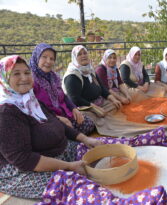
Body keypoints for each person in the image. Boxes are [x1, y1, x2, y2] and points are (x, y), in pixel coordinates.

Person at [0, 55, 103, 199]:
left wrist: (87, 140)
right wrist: (69, 166)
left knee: (102, 150)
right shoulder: (6, 113)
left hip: (57, 151)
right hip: (24, 171)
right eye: (16, 73)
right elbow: (24, 159)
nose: (24, 78)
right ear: (4, 79)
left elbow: (58, 123)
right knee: (81, 188)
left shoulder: (30, 100)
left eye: (27, 72)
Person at [29, 43, 95, 135]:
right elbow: (34, 109)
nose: (48, 61)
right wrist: (57, 118)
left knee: (89, 123)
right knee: (61, 135)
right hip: (48, 121)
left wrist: (73, 108)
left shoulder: (53, 77)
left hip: (65, 114)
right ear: (36, 57)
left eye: (52, 59)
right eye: (44, 57)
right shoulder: (30, 81)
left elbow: (63, 96)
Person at [63, 45, 121, 117]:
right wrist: (94, 108)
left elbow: (102, 88)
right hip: (84, 107)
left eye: (85, 53)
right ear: (75, 58)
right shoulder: (72, 75)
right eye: (79, 54)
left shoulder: (90, 70)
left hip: (98, 102)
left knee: (116, 105)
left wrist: (113, 99)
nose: (83, 56)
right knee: (90, 118)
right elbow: (74, 99)